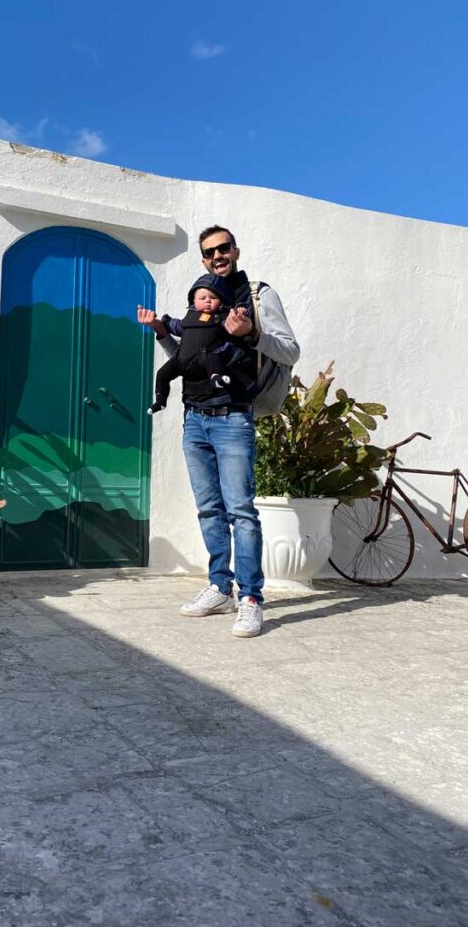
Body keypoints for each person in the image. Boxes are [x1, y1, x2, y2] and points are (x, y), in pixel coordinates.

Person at [137, 225, 300, 638]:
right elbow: (188, 359)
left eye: (224, 248)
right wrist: (161, 332)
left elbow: (290, 350)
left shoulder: (259, 296)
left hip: (232, 417)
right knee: (209, 509)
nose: (218, 256)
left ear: (236, 250)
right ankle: (219, 586)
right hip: (195, 419)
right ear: (204, 259)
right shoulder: (202, 297)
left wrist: (252, 333)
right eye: (209, 252)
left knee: (241, 510)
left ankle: (250, 598)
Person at [148, 273, 256, 415]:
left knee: (214, 360)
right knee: (162, 374)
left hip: (206, 358)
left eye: (213, 298)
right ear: (194, 300)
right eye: (202, 298)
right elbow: (179, 327)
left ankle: (217, 380)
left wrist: (240, 311)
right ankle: (160, 401)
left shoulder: (222, 317)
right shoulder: (190, 317)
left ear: (221, 300)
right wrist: (165, 322)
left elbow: (233, 325)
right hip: (182, 360)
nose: (208, 301)